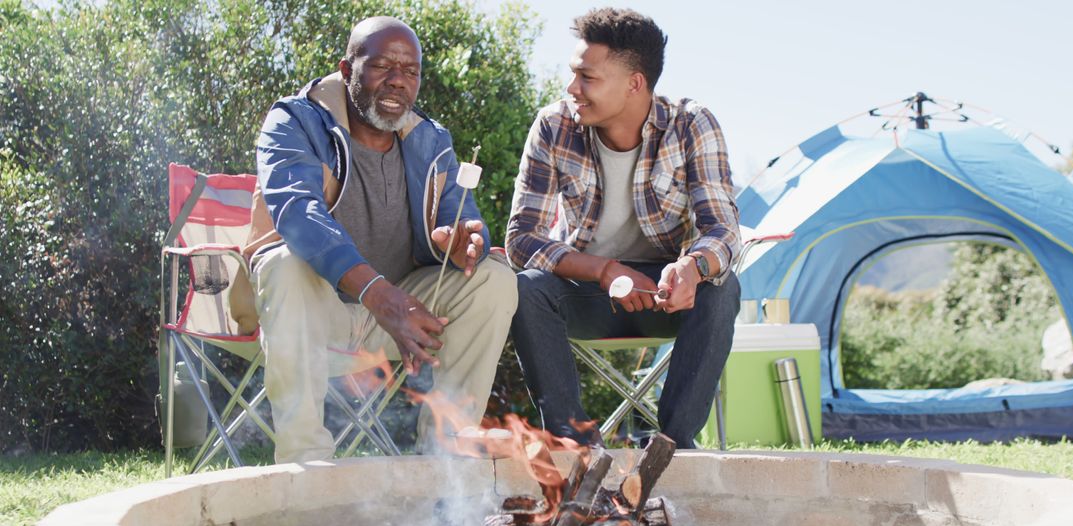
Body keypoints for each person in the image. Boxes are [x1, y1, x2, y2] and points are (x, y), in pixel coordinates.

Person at [238, 16, 517, 463]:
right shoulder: (294, 121)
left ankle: (447, 452)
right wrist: (377, 293)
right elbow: (298, 214)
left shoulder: (431, 140)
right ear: (347, 70)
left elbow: (460, 216)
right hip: (314, 313)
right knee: (284, 264)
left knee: (494, 279)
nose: (398, 82)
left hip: (397, 318)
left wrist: (463, 242)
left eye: (410, 71)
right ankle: (307, 463)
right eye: (383, 66)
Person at [505, 7, 741, 449]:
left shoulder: (692, 124)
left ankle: (672, 446)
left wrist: (692, 266)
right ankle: (576, 444)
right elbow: (521, 239)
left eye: (587, 78)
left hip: (669, 294)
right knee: (527, 288)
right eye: (574, 74)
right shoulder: (554, 126)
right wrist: (603, 270)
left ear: (635, 83)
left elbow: (724, 231)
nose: (571, 88)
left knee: (722, 286)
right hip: (589, 290)